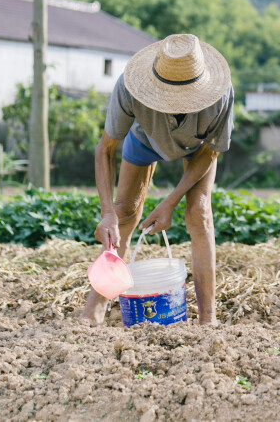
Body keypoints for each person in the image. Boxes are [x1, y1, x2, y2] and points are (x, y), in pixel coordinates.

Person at [79, 33, 234, 325]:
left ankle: (207, 318)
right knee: (124, 212)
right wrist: (107, 212)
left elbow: (211, 153)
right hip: (145, 140)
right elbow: (105, 149)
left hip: (198, 147)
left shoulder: (221, 96)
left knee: (199, 212)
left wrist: (171, 202)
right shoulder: (128, 88)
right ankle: (94, 310)